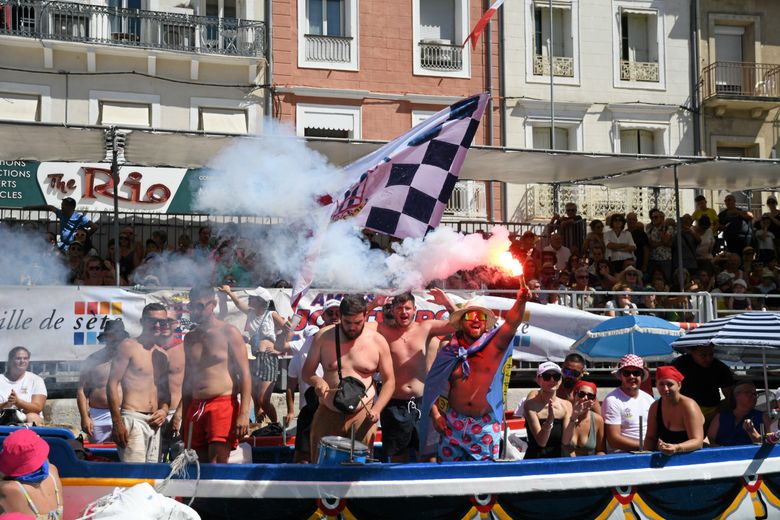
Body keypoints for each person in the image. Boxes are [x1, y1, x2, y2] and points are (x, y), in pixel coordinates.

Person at [421, 287, 532, 462]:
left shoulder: (494, 346)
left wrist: (521, 300)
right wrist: (435, 414)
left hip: (485, 426)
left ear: (485, 323)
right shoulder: (449, 350)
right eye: (470, 316)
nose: (475, 320)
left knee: (483, 482)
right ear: (462, 322)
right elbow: (431, 386)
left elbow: (512, 323)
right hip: (452, 425)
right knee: (451, 482)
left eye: (480, 317)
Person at [302, 295, 395, 462]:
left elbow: (389, 381)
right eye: (347, 323)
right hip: (328, 411)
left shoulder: (378, 341)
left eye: (357, 323)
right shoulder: (323, 337)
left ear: (365, 317)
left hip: (363, 413)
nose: (352, 327)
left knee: (360, 468)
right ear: (341, 317)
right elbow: (307, 373)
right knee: (321, 464)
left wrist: (377, 409)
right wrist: (318, 381)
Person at [374, 289, 456, 462]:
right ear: (392, 310)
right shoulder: (383, 330)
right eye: (399, 308)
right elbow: (355, 323)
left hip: (422, 403)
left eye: (407, 308)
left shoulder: (425, 328)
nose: (403, 312)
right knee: (398, 459)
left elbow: (458, 324)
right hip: (394, 404)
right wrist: (373, 305)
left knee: (429, 457)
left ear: (414, 309)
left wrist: (447, 303)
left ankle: (429, 489)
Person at [181, 286, 252, 463]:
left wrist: (244, 414)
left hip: (222, 404)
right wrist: (183, 416)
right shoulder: (190, 338)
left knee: (216, 465)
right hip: (197, 406)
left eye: (200, 305)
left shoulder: (229, 332)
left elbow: (245, 374)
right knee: (197, 465)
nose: (195, 310)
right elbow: (188, 379)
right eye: (192, 306)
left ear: (212, 305)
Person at [107, 303, 171, 463]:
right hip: (132, 418)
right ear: (143, 321)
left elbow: (164, 391)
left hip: (155, 422)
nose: (157, 325)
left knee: (153, 478)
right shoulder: (128, 346)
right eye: (152, 321)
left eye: (162, 322)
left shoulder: (162, 355)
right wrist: (117, 422)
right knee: (133, 477)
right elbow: (112, 384)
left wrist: (164, 410)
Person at [218, 285, 288, 427]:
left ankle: (275, 425)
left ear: (262, 301)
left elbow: (288, 329)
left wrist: (280, 349)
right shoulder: (251, 312)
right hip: (254, 357)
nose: (250, 299)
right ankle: (259, 427)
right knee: (255, 398)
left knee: (263, 399)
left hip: (268, 358)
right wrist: (229, 292)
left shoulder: (271, 314)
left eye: (253, 298)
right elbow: (238, 303)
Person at [77, 319, 129, 443]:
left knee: (126, 454)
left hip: (125, 414)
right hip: (98, 416)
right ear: (106, 337)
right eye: (112, 336)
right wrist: (84, 417)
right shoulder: (92, 360)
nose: (115, 339)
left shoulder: (130, 359)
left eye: (118, 336)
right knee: (98, 455)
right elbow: (82, 391)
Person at [0, 429, 63, 519]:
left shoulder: (9, 488)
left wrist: (11, 448)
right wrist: (16, 442)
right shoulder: (53, 472)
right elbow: (43, 459)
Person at [286, 324, 326, 463]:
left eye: (317, 336)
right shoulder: (296, 360)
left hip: (326, 407)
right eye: (311, 338)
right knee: (303, 453)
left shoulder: (327, 354)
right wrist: (291, 410)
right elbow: (290, 387)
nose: (314, 340)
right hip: (307, 408)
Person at [524, 362, 580, 459]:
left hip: (560, 458)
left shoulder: (566, 405)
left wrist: (573, 418)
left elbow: (565, 441)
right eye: (546, 376)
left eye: (556, 376)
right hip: (537, 459)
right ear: (538, 380)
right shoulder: (531, 405)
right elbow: (541, 442)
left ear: (560, 380)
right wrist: (549, 421)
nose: (552, 380)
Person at [643, 366, 704, 455]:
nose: (665, 389)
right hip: (668, 456)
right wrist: (644, 458)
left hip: (693, 456)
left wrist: (677, 448)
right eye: (661, 384)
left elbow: (698, 442)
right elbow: (650, 438)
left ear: (679, 385)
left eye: (670, 384)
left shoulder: (688, 405)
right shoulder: (655, 407)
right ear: (656, 385)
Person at [602, 354, 655, 453]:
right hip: (624, 455)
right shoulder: (612, 400)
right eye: (626, 373)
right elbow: (614, 440)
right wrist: (646, 445)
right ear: (621, 376)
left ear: (641, 376)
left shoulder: (648, 399)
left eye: (636, 373)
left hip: (649, 451)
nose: (631, 376)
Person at [671, 344, 735, 425]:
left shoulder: (720, 367)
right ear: (692, 352)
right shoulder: (679, 364)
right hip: (684, 410)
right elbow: (670, 390)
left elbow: (731, 397)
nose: (708, 359)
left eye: (711, 354)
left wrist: (716, 413)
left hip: (712, 411)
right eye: (703, 355)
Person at [23, 197, 97, 253]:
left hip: (75, 248)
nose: (62, 207)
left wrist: (82, 239)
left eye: (64, 205)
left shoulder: (79, 217)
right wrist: (31, 207)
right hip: (63, 247)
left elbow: (94, 227)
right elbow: (50, 207)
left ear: (71, 207)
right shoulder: (61, 214)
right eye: (62, 205)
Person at [707, 382, 770, 446]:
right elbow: (710, 438)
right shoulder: (720, 416)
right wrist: (714, 446)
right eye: (748, 393)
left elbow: (770, 443)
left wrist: (752, 432)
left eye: (755, 394)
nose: (753, 396)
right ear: (736, 395)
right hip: (722, 454)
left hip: (751, 454)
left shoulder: (763, 417)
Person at [0, 347, 46, 426]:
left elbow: (37, 408)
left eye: (25, 358)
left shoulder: (36, 380)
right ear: (10, 360)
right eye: (18, 358)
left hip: (25, 418)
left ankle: (30, 437)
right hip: (2, 417)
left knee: (33, 416)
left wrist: (18, 402)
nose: (22, 361)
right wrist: (6, 404)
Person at [567, 380, 606, 456]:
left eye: (590, 396)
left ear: (594, 400)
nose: (585, 398)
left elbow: (600, 450)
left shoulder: (598, 420)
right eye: (581, 394)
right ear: (574, 395)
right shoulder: (566, 416)